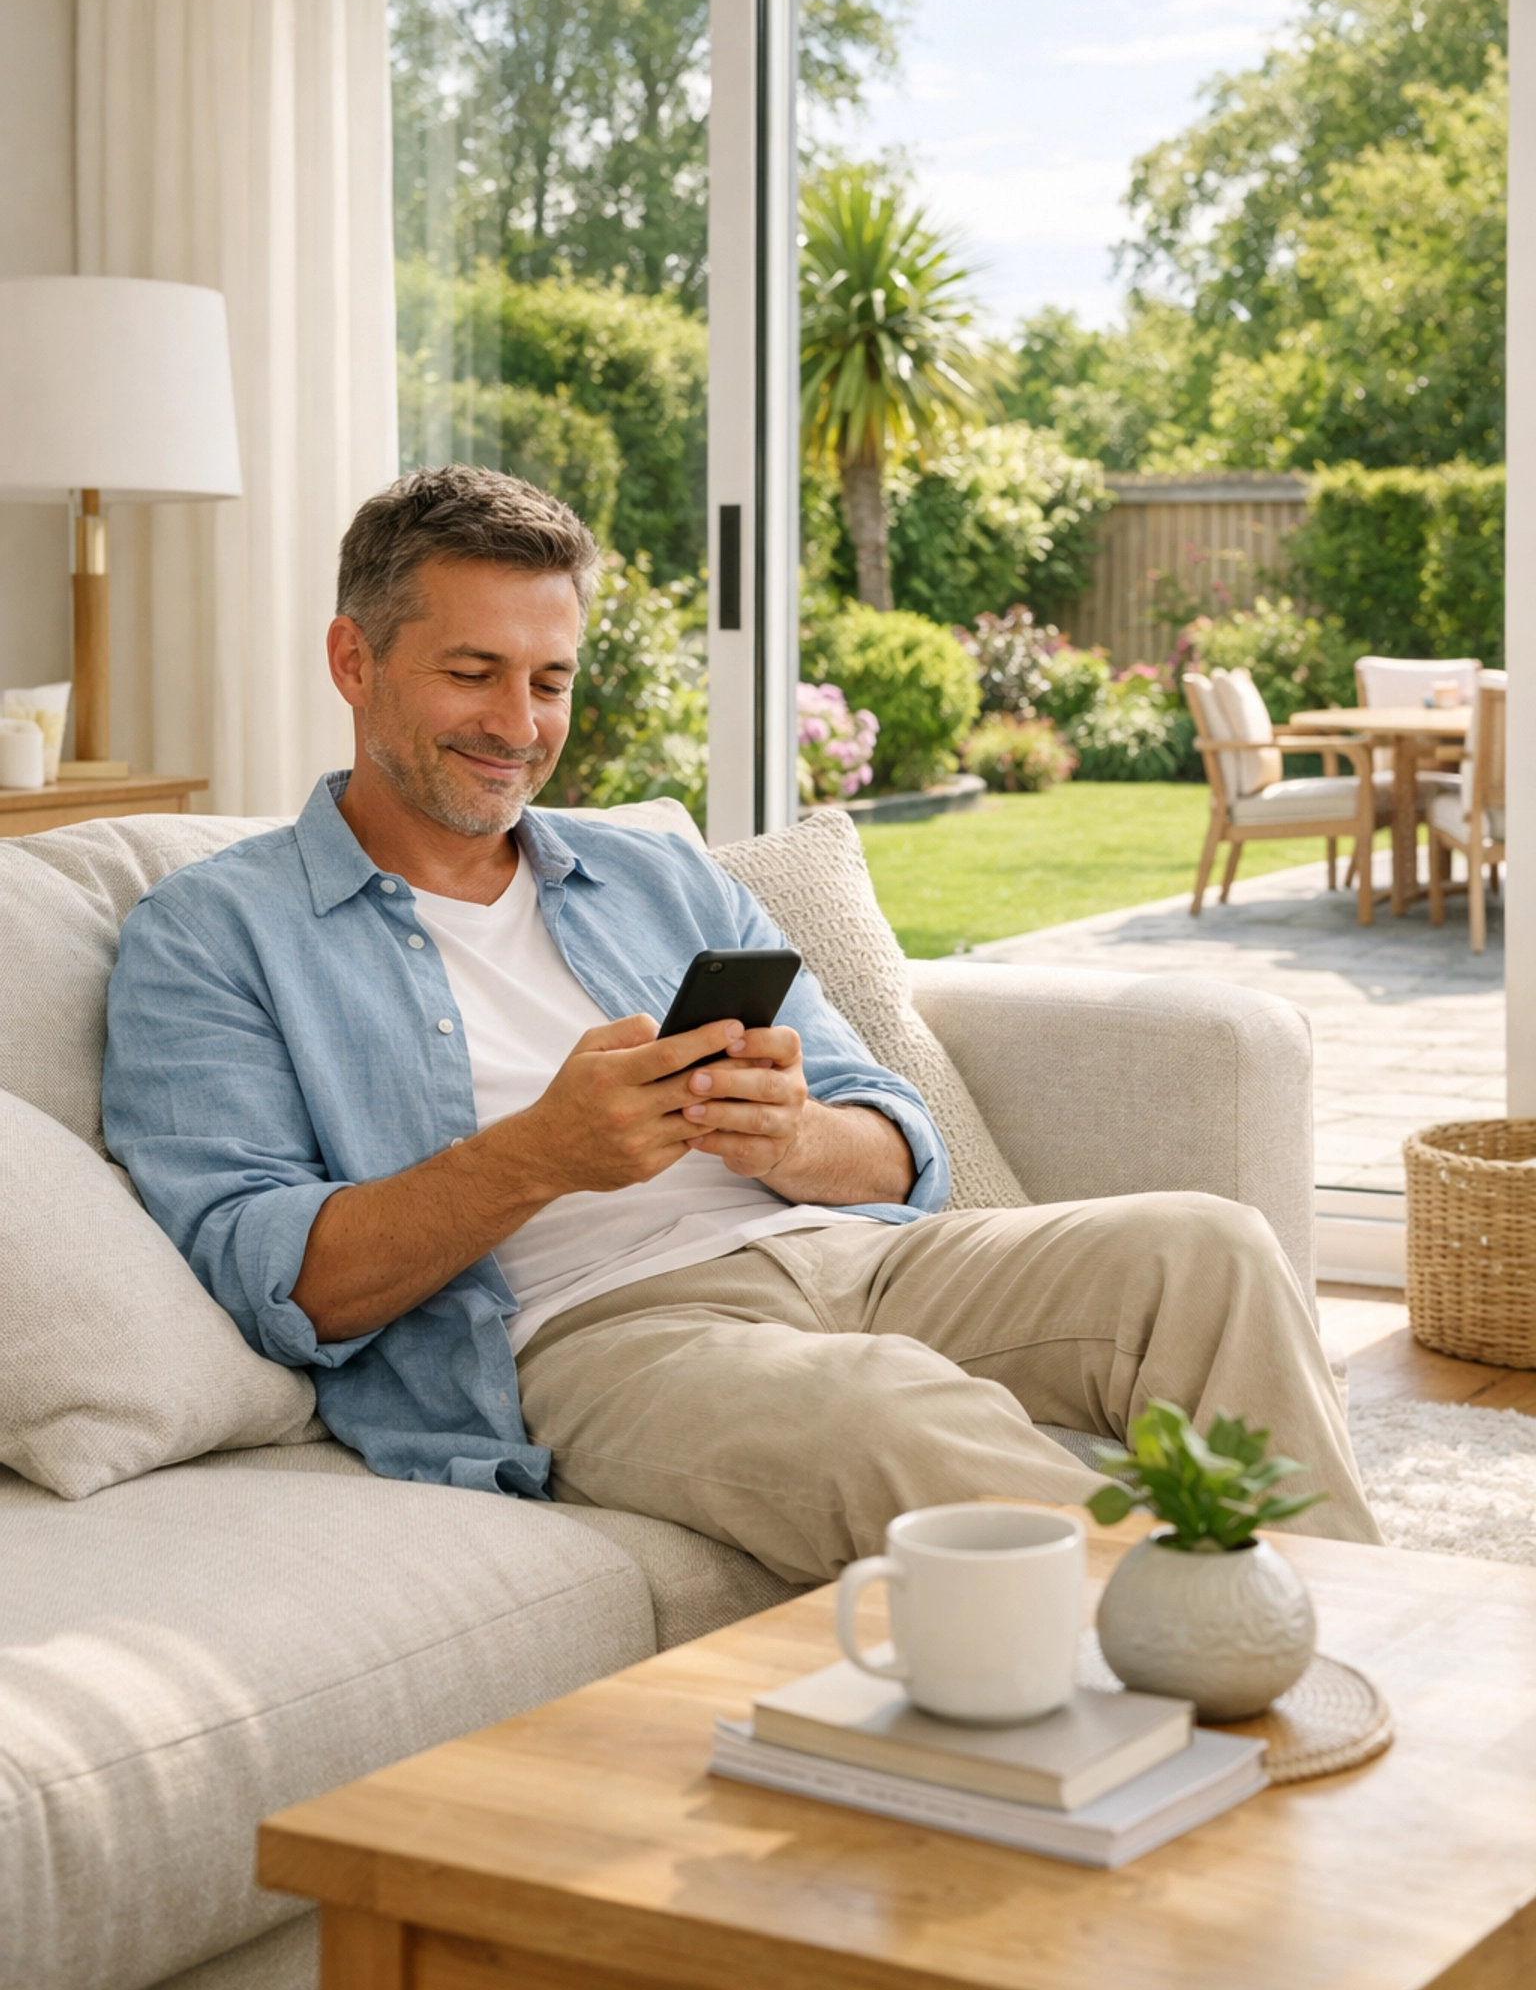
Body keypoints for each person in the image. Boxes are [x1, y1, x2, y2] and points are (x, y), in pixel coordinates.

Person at [104, 466, 1381, 1580]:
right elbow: (273, 1279)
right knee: (887, 1416)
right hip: (596, 1333)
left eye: (550, 680)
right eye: (473, 673)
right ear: (354, 661)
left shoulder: (660, 875)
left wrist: (791, 1138)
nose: (520, 726)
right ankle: (1233, 1653)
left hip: (856, 1259)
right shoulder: (212, 933)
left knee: (1206, 1250)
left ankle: (1353, 1649)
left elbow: (895, 1143)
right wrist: (538, 1155)